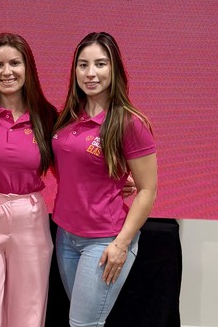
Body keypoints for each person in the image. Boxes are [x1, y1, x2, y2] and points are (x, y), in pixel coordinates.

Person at [52, 32, 157, 327]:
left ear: (114, 69)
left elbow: (148, 190)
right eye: (83, 65)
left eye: (100, 64)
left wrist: (121, 245)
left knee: (83, 324)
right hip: (66, 237)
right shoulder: (68, 117)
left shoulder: (129, 123)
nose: (91, 73)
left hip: (104, 241)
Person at [0, 33, 57, 327]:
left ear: (28, 68)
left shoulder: (46, 116)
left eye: (15, 63)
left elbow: (70, 167)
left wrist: (113, 180)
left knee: (28, 316)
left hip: (30, 218)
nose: (7, 72)